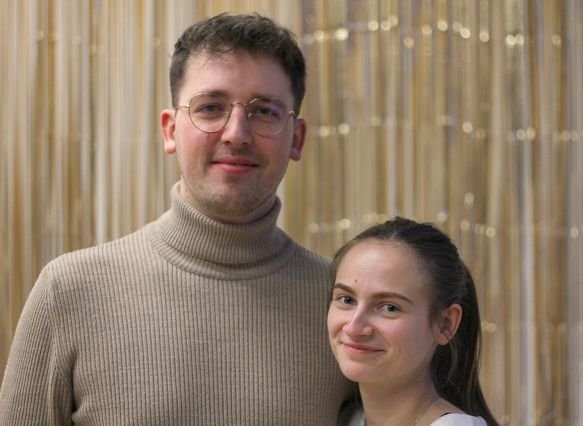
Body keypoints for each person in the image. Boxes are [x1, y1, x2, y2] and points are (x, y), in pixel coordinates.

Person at [0, 13, 351, 425]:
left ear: (297, 138)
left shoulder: (343, 313)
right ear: (170, 130)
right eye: (210, 107)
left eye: (264, 112)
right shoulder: (69, 294)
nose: (236, 133)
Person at [327, 217, 498, 426]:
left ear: (445, 324)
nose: (354, 328)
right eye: (347, 300)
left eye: (390, 307)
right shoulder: (346, 418)